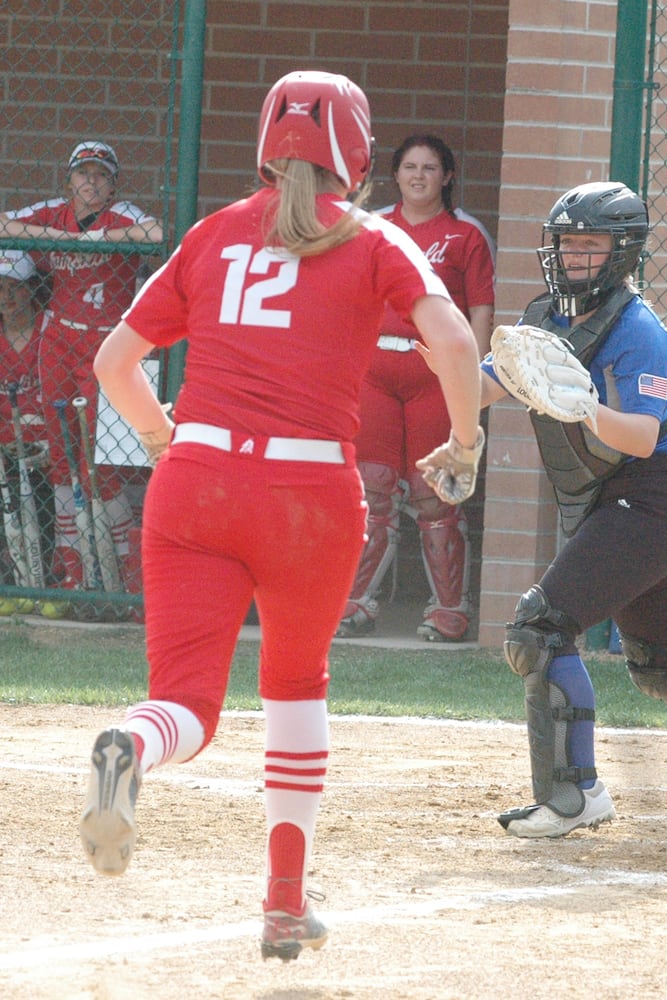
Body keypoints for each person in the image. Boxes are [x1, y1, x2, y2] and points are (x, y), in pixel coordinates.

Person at [78, 70, 484, 962]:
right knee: (295, 690)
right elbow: (454, 341)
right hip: (307, 499)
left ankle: (131, 746)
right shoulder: (374, 239)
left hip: (195, 484)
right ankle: (282, 902)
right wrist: (464, 441)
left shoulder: (212, 233)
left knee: (185, 702)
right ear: (359, 151)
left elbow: (115, 364)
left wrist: (160, 438)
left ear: (267, 141)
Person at [477, 181, 667, 837]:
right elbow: (478, 383)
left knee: (540, 629)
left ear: (623, 252)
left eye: (589, 244)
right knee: (661, 664)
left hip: (654, 498)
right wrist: (455, 429)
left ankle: (573, 795)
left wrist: (580, 404)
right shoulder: (543, 320)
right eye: (565, 242)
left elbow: (641, 436)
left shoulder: (640, 328)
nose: (571, 255)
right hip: (614, 504)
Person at [336, 134, 495, 642]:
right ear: (396, 174)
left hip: (434, 373)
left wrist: (469, 376)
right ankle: (354, 604)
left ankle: (449, 611)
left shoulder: (466, 234)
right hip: (375, 369)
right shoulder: (373, 227)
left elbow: (480, 312)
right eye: (409, 167)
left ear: (447, 176)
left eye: (430, 167)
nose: (419, 176)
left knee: (435, 493)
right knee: (371, 487)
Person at [0, 141, 163, 594]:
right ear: (68, 179)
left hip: (107, 345)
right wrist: (58, 239)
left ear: (112, 185)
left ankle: (120, 578)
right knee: (61, 454)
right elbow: (4, 223)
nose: (90, 182)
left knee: (100, 460)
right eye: (82, 173)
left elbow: (154, 234)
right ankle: (72, 572)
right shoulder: (54, 210)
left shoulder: (122, 213)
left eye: (101, 175)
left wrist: (92, 240)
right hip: (59, 338)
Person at [0, 250, 54, 594]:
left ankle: (48, 575)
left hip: (49, 448)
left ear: (32, 288)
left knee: (46, 496)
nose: (5, 297)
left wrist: (55, 446)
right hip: (5, 449)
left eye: (14, 287)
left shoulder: (54, 327)